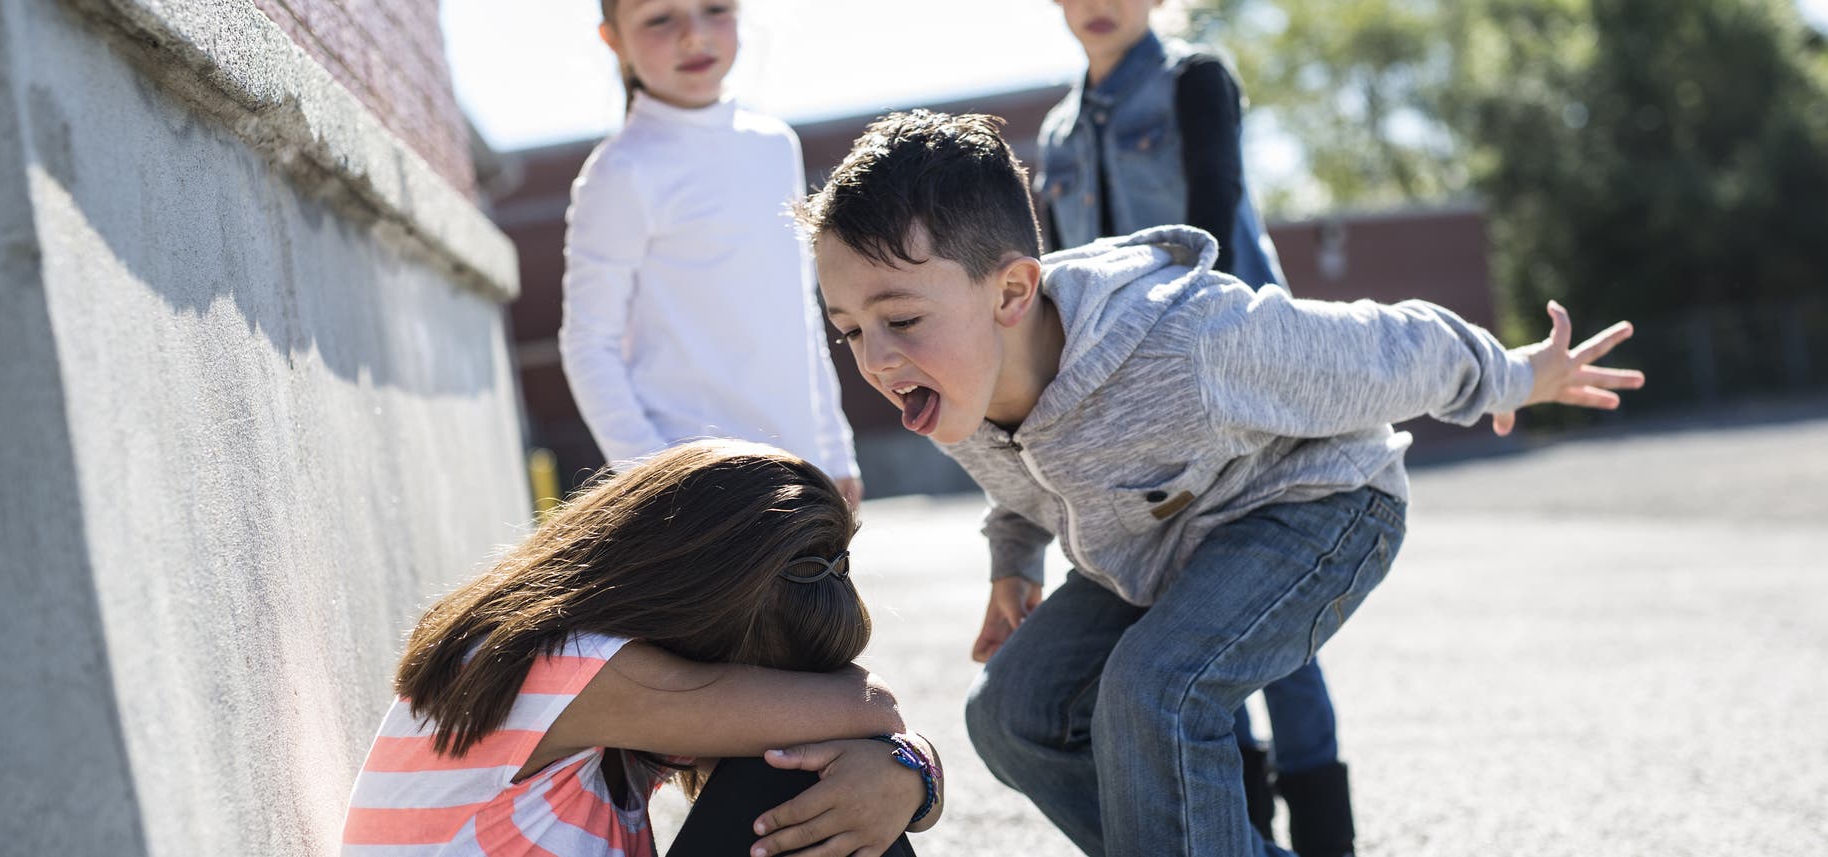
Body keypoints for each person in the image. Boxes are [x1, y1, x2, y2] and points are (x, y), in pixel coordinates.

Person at [799, 110, 1643, 857]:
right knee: (1012, 710)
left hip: (1318, 508)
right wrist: (1012, 560)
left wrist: (1515, 374)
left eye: (900, 317)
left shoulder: (1189, 342)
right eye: (849, 331)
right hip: (1162, 544)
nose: (875, 357)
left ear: (1013, 290)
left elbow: (1382, 347)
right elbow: (1018, 483)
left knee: (1153, 691)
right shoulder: (958, 383)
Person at [1034, 1, 1339, 848]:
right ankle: (1242, 829)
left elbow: (1218, 213)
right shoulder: (1055, 136)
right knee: (1191, 614)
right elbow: (1060, 286)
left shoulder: (1195, 81)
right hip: (1131, 409)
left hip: (1237, 376)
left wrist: (1228, 381)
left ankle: (1325, 836)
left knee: (1271, 616)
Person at [338, 440, 944, 857]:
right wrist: (902, 760)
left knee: (822, 770)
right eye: (759, 678)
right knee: (790, 776)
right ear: (697, 612)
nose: (770, 699)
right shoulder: (562, 666)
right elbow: (875, 710)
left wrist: (906, 775)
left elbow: (860, 731)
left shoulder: (586, 671)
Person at [561, 0, 862, 506]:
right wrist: (657, 481)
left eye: (714, 8)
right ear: (614, 40)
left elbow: (798, 311)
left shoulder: (774, 145)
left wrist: (834, 451)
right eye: (659, 18)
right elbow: (589, 343)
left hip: (802, 471)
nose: (692, 35)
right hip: (700, 489)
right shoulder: (621, 170)